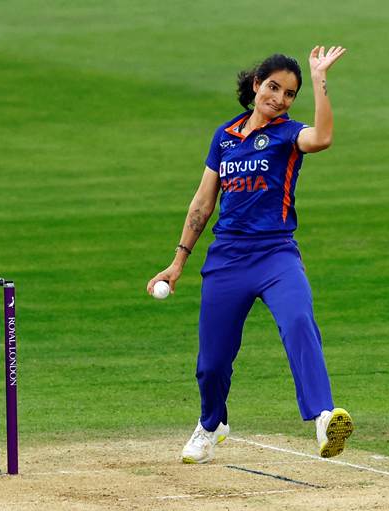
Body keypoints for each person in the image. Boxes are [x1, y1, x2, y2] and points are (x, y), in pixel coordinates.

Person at [147, 46, 353, 464]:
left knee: (298, 322)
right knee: (212, 364)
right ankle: (211, 425)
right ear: (257, 85)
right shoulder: (224, 137)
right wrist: (178, 262)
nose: (279, 98)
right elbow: (202, 204)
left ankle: (323, 416)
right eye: (273, 88)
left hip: (277, 255)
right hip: (227, 260)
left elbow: (323, 138)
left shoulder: (288, 134)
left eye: (289, 93)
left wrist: (319, 80)